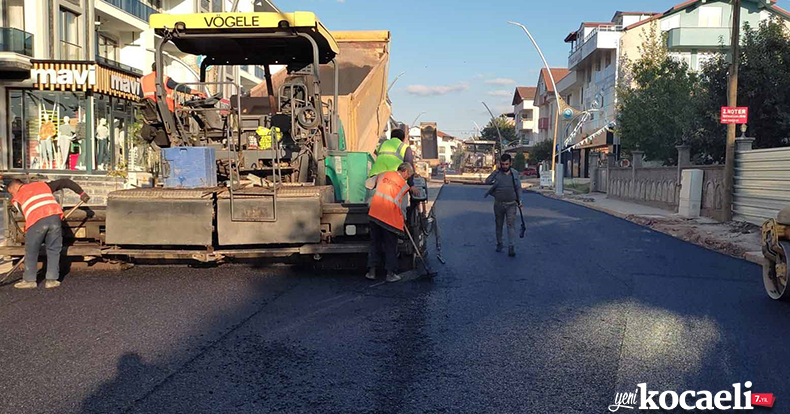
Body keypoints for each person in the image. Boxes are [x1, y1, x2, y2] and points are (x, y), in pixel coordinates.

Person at [7, 178, 90, 289]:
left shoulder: (17, 198)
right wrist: (81, 193)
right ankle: (52, 280)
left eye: (11, 192)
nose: (13, 195)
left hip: (36, 221)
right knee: (54, 249)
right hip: (54, 218)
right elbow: (65, 182)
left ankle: (29, 281)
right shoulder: (42, 185)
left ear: (15, 187)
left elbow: (26, 215)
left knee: (31, 251)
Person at [365, 162, 414, 282]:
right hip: (390, 220)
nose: (408, 178)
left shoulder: (384, 174)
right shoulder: (404, 186)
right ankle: (390, 274)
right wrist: (403, 221)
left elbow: (368, 184)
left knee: (375, 244)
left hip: (375, 214)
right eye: (409, 175)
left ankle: (371, 272)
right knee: (390, 246)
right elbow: (402, 208)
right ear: (406, 172)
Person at [485, 154, 522, 257]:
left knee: (511, 225)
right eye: (502, 164)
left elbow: (518, 187)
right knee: (499, 225)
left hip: (511, 204)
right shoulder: (497, 173)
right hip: (498, 204)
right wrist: (495, 171)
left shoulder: (515, 174)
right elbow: (487, 181)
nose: (504, 166)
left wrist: (520, 200)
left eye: (506, 164)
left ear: (510, 163)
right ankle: (499, 243)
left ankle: (511, 247)